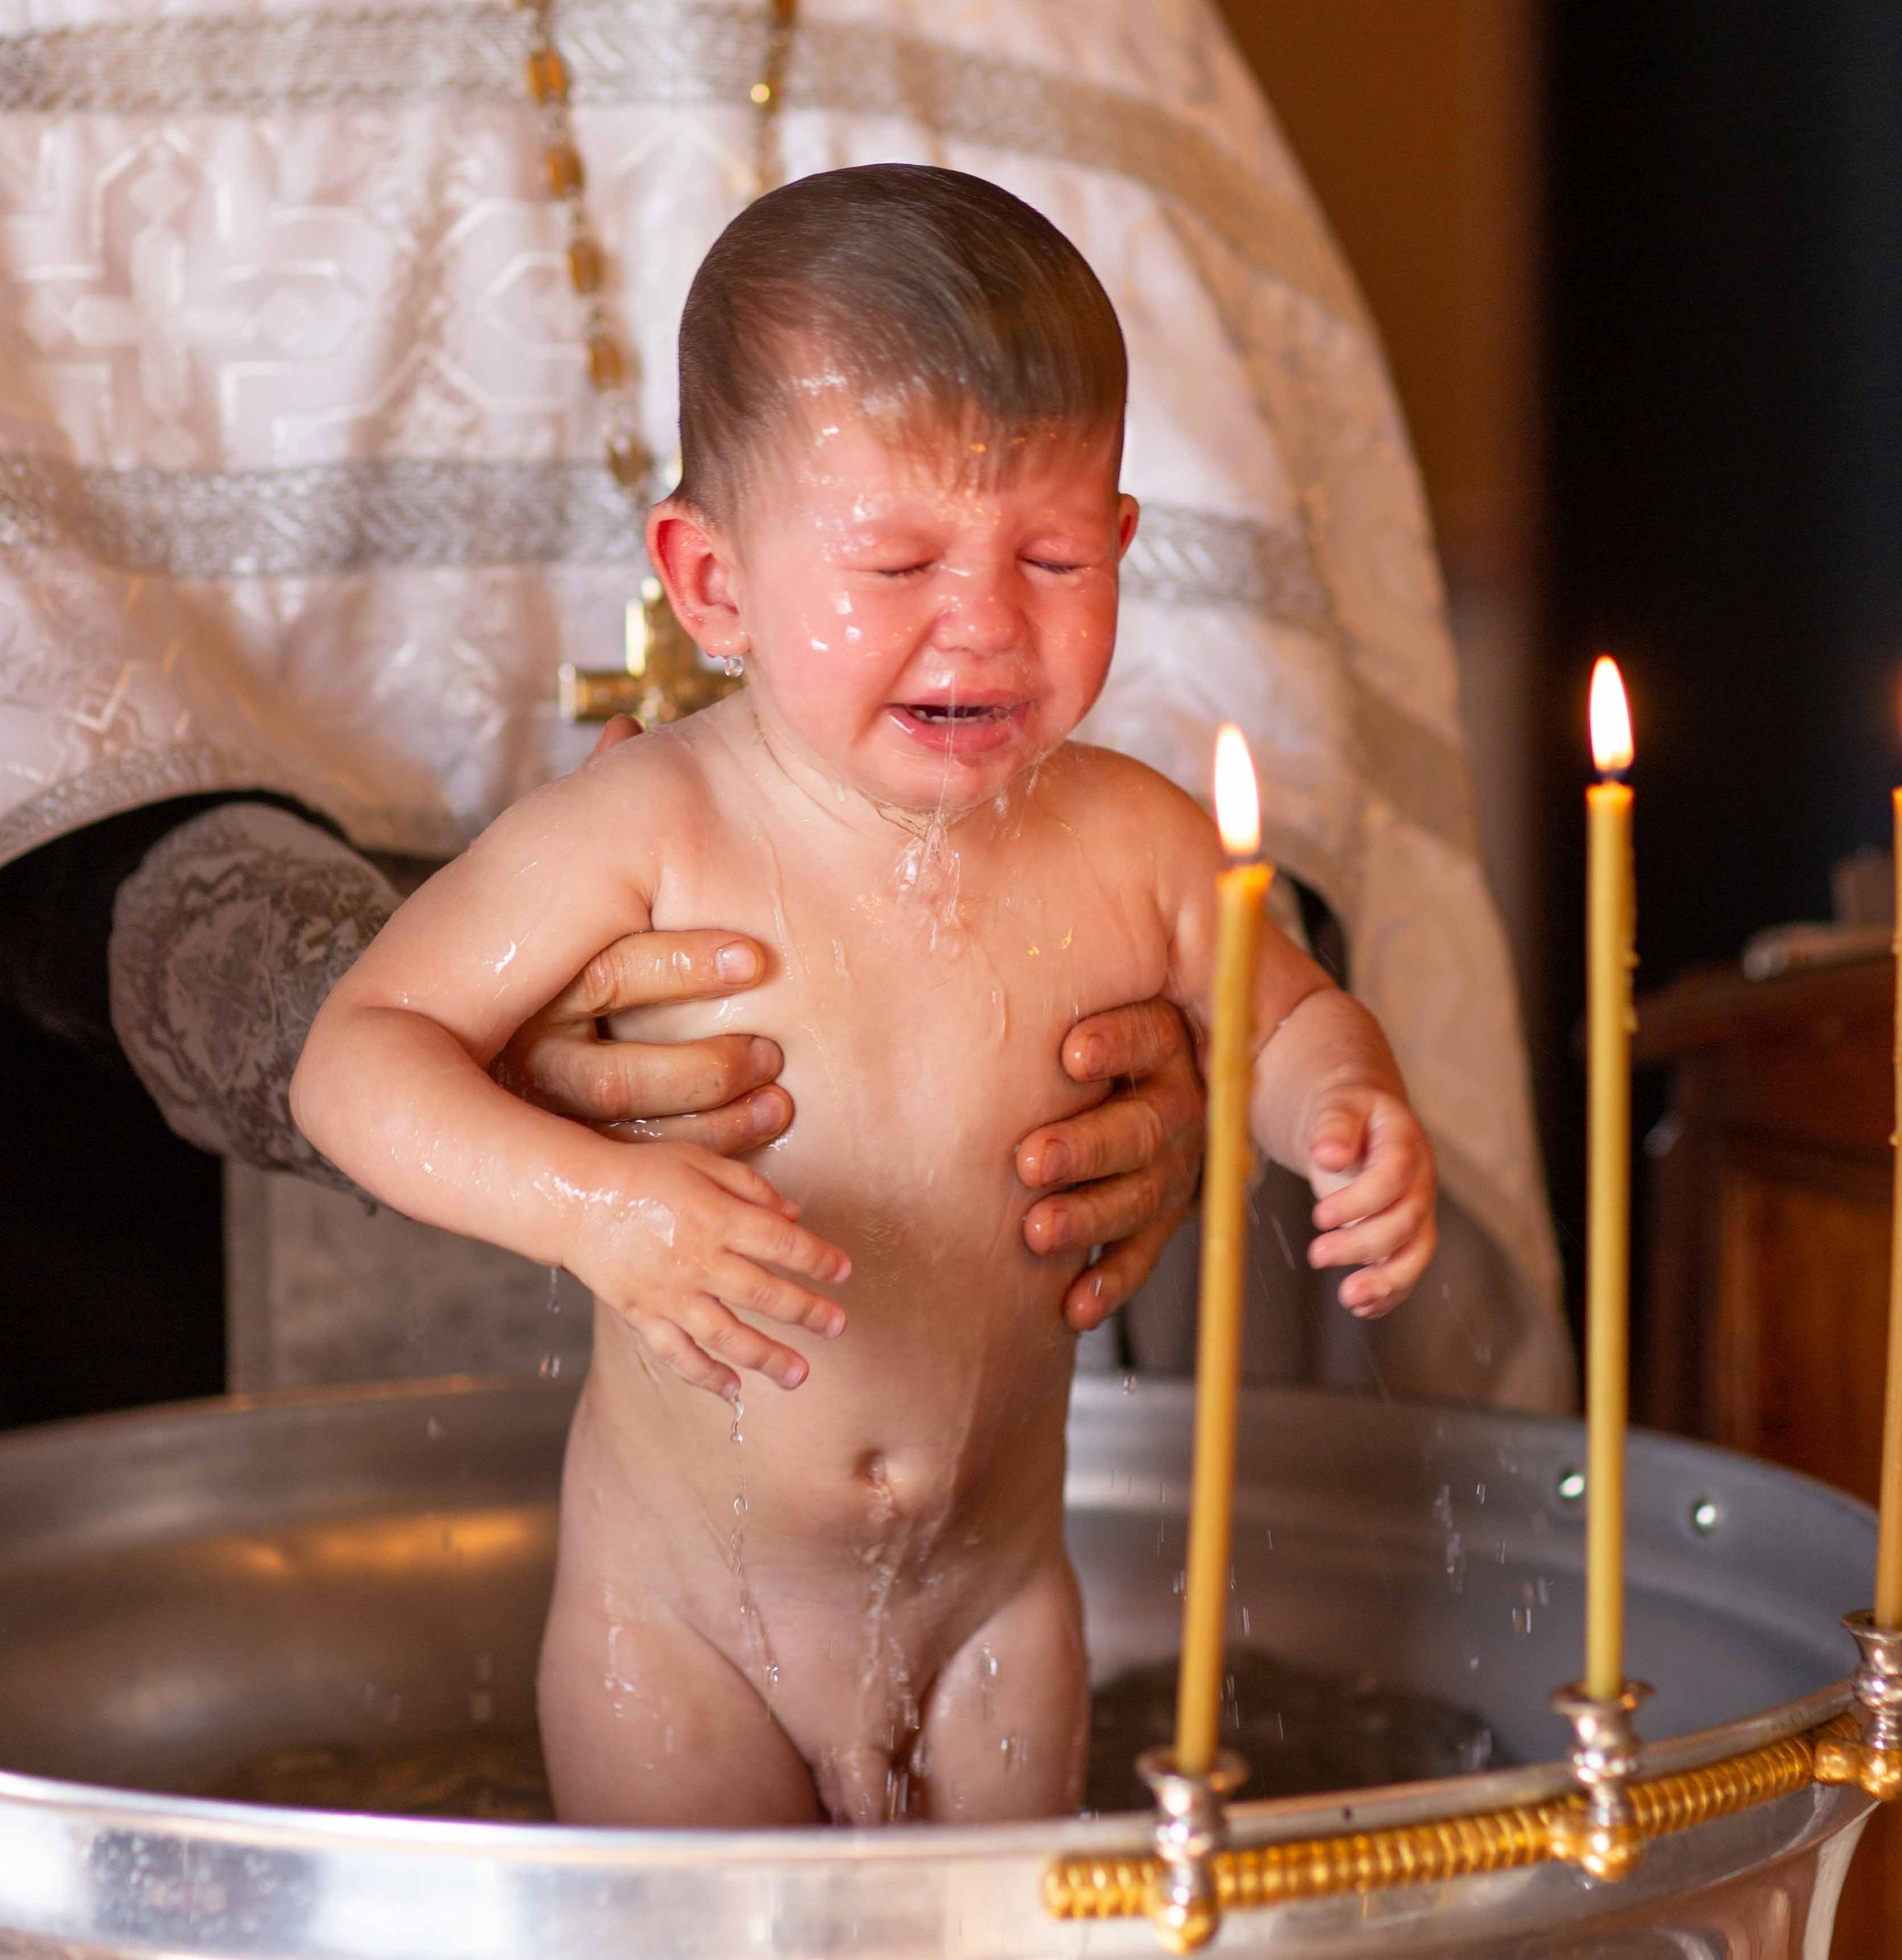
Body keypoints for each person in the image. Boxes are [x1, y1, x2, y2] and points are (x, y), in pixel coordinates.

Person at [0, 0, 1561, 1410]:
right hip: (181, 1337)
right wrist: (360, 1015)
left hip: (922, 1375)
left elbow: (1266, 706)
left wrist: (1185, 1057)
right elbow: (32, 680)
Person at [292, 167, 1437, 1827]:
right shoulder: (649, 830)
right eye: (897, 564)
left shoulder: (1132, 840)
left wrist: (1347, 1109)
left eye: (1054, 555)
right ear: (712, 584)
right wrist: (596, 1209)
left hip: (992, 1604)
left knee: (1007, 1935)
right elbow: (357, 1058)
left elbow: (1282, 1018)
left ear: (1124, 542)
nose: (984, 623)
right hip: (681, 1624)